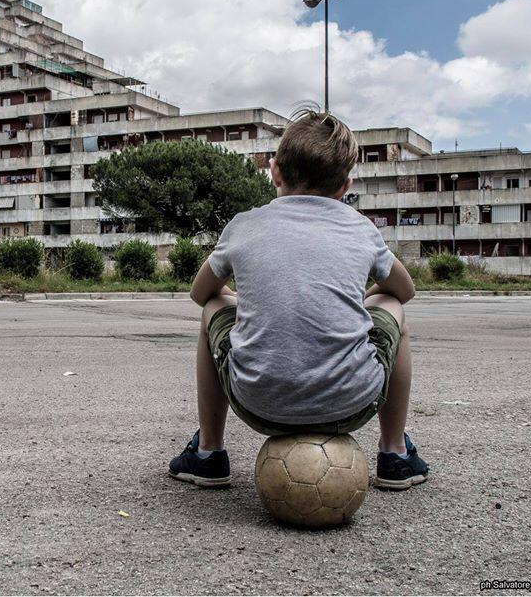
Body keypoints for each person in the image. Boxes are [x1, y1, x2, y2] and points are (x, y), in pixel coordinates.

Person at [169, 107, 429, 491]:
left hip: (258, 404)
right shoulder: (360, 228)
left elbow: (199, 293)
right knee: (394, 309)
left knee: (213, 310)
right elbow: (403, 291)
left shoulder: (244, 225)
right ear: (345, 187)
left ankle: (209, 453)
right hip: (351, 404)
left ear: (274, 170)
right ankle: (394, 453)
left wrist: (248, 304)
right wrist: (362, 300)